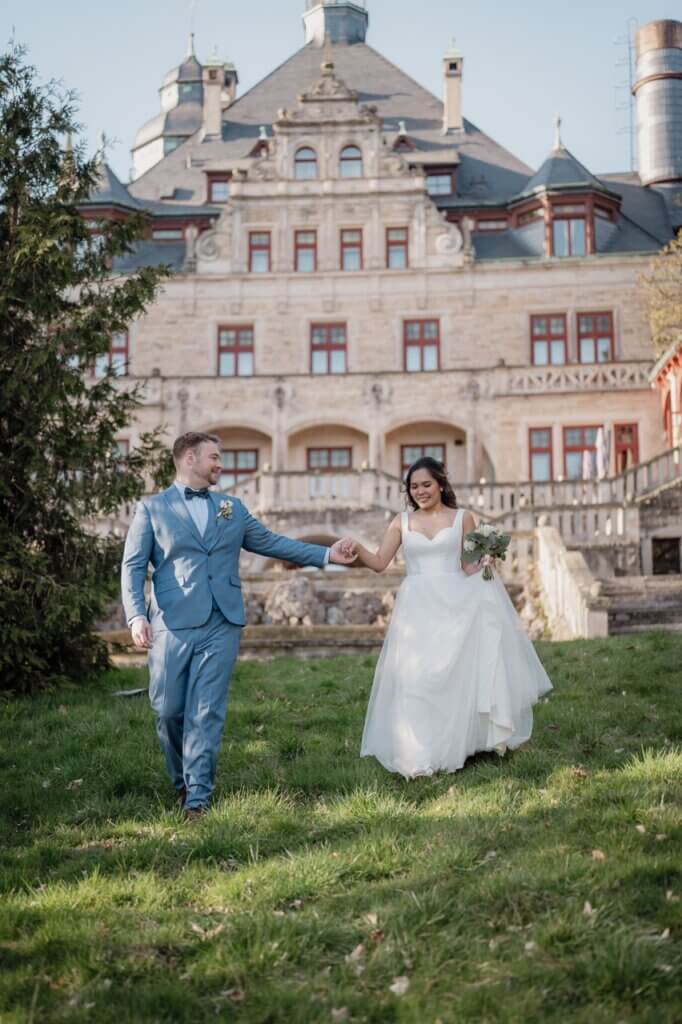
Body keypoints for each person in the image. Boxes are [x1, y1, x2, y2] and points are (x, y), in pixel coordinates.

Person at [121, 431, 356, 817]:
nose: (221, 464)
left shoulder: (232, 507)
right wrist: (135, 615)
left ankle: (197, 797)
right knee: (167, 710)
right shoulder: (152, 508)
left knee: (206, 710)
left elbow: (272, 543)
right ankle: (181, 781)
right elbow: (132, 567)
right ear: (190, 458)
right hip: (171, 622)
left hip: (222, 621)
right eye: (214, 457)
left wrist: (327, 554)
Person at [352, 457, 553, 779]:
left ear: (441, 484)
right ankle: (418, 753)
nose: (420, 491)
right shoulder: (401, 522)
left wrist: (485, 561)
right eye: (414, 486)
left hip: (457, 603)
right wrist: (356, 550)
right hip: (417, 607)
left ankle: (457, 744)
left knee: (455, 675)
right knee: (415, 677)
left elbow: (468, 565)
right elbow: (378, 562)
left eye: (426, 484)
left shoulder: (463, 518)